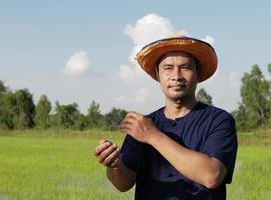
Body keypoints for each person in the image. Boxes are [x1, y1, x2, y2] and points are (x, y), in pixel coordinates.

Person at [94, 34, 238, 199]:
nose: (176, 76)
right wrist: (115, 165)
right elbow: (123, 184)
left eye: (185, 67)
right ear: (158, 75)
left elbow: (212, 176)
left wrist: (153, 136)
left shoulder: (218, 120)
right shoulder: (143, 124)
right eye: (168, 68)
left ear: (198, 74)